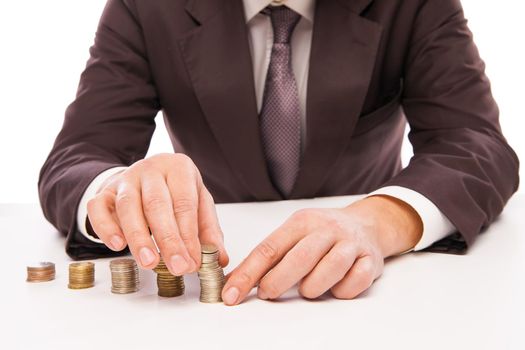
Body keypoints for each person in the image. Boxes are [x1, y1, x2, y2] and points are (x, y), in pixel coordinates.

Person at [39, 0, 519, 306]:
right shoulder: (146, 7)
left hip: (375, 295)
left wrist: (381, 220)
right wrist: (119, 189)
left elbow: (475, 145)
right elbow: (78, 156)